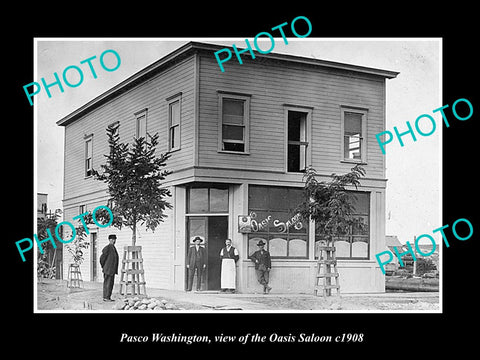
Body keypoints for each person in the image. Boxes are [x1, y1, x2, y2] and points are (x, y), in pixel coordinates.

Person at [99, 234, 119, 302]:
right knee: (107, 283)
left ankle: (108, 297)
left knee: (110, 284)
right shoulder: (107, 248)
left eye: (115, 239)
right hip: (108, 269)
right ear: (110, 240)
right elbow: (102, 258)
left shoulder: (113, 248)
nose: (114, 241)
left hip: (112, 270)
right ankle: (106, 297)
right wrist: (104, 266)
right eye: (113, 239)